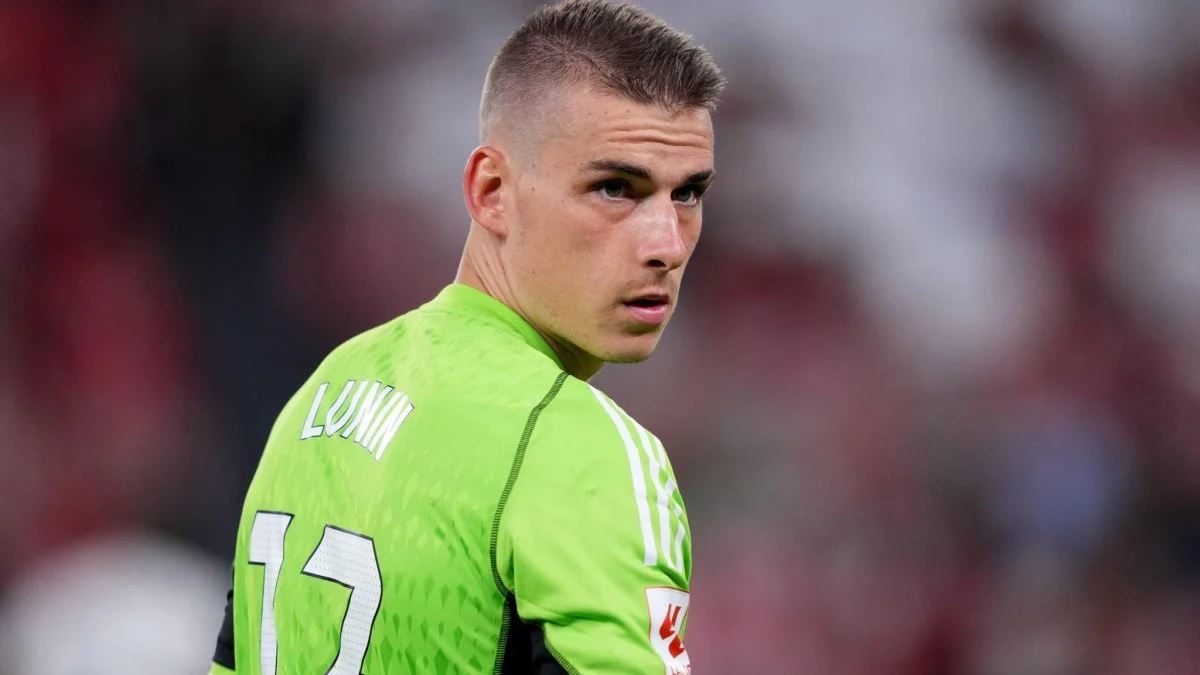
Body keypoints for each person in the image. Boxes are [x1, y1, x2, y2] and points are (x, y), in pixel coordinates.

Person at [207, 1, 723, 672]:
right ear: (491, 190)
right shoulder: (579, 446)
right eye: (614, 188)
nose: (667, 245)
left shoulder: (321, 393)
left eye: (688, 194)